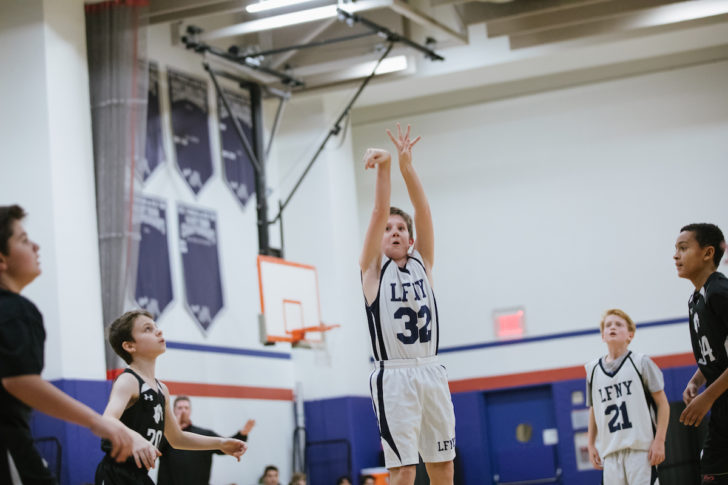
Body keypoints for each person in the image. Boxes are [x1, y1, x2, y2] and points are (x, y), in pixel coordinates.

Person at [0, 204, 134, 484]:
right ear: (2, 259)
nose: (36, 246)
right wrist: (97, 422)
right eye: (24, 240)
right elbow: (20, 383)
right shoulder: (15, 309)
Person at [359, 124, 455, 485]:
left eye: (401, 228)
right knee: (403, 470)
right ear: (379, 239)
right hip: (394, 376)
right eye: (389, 228)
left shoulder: (423, 263)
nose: (394, 231)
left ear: (411, 239)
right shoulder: (372, 271)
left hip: (431, 370)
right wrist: (384, 167)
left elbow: (423, 208)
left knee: (444, 465)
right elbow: (377, 211)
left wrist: (406, 166)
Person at [95, 309, 247, 484]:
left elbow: (177, 438)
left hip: (140, 476)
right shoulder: (128, 380)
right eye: (147, 329)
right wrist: (135, 438)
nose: (158, 331)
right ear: (130, 346)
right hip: (115, 474)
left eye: (156, 327)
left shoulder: (162, 390)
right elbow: (107, 420)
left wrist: (220, 443)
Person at [585, 309, 669, 484]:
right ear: (602, 335)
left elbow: (663, 404)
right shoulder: (592, 370)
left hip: (640, 451)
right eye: (608, 325)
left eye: (618, 324)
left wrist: (660, 441)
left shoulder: (641, 362)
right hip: (610, 455)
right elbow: (594, 409)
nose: (612, 327)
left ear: (630, 335)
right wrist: (591, 443)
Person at [674, 223, 728, 484]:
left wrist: (707, 397)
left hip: (719, 398)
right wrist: (697, 380)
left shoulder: (720, 292)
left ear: (707, 253)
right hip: (721, 405)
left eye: (683, 248)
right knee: (711, 475)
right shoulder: (696, 299)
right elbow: (718, 351)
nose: (676, 256)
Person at [157, 395, 255, 485]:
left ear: (190, 411)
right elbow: (155, 448)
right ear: (173, 410)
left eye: (186, 408)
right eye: (180, 408)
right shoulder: (163, 433)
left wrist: (242, 434)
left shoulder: (204, 434)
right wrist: (174, 428)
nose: (183, 411)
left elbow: (224, 445)